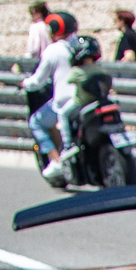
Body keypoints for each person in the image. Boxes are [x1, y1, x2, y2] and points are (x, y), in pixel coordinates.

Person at [35, 34, 105, 186]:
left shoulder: (77, 70)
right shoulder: (99, 68)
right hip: (101, 102)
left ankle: (67, 145)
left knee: (63, 114)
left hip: (81, 103)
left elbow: (68, 80)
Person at [22, 29, 75, 164]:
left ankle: (58, 162)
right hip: (87, 98)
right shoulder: (79, 45)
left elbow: (38, 80)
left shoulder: (53, 50)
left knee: (36, 122)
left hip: (65, 100)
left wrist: (25, 83)